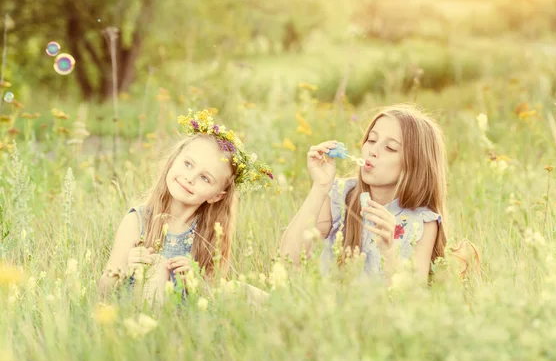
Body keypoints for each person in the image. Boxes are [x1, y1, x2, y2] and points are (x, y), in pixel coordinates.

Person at [98, 109, 274, 302]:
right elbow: (104, 290)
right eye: (188, 164)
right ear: (174, 160)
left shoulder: (210, 232)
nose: (190, 178)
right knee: (157, 266)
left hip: (185, 314)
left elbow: (214, 290)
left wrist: (196, 279)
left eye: (205, 178)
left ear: (217, 195)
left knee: (243, 290)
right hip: (142, 311)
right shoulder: (137, 221)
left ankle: (287, 319)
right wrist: (125, 266)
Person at [280, 104, 447, 282]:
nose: (373, 151)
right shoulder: (341, 196)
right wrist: (320, 187)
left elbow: (411, 297)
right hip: (323, 308)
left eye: (390, 148)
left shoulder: (422, 222)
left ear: (415, 164)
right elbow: (288, 260)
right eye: (372, 140)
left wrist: (390, 252)